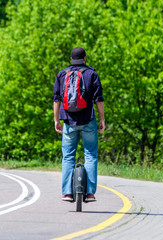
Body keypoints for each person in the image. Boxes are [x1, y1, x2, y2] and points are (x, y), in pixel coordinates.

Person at [52, 47, 105, 202]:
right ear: (85, 59)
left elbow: (56, 99)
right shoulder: (91, 74)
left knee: (68, 157)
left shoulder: (62, 74)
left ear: (70, 59)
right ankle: (89, 193)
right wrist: (102, 119)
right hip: (88, 120)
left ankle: (67, 193)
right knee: (90, 155)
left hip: (68, 121)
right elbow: (98, 99)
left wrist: (56, 120)